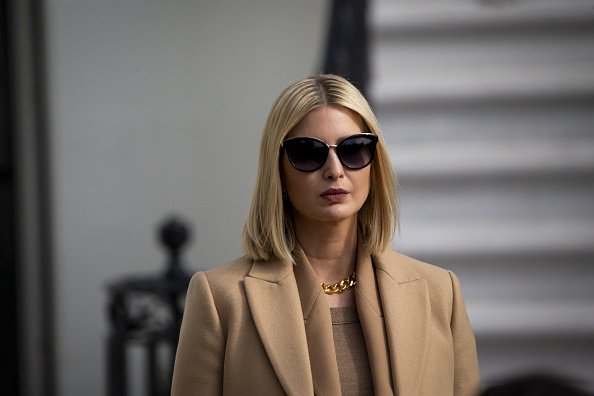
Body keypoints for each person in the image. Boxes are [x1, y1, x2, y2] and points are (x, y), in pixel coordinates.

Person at [171, 74, 480, 395]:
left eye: (354, 149)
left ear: (375, 164)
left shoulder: (440, 293)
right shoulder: (221, 299)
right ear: (278, 171)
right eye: (308, 153)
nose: (335, 169)